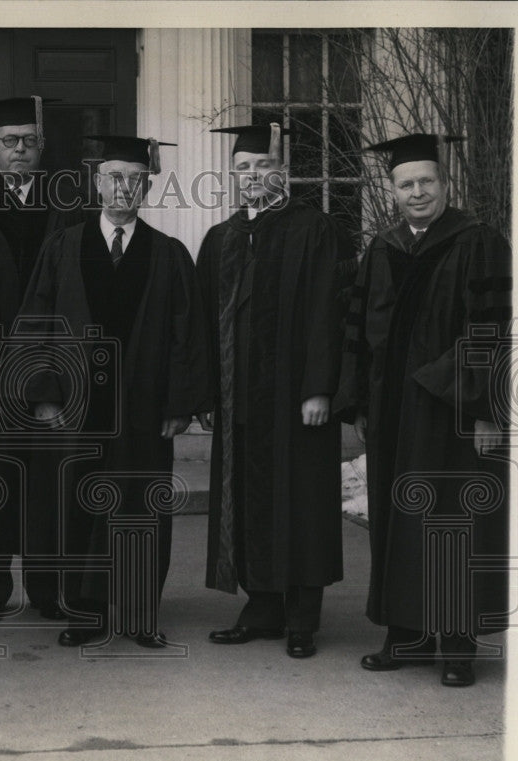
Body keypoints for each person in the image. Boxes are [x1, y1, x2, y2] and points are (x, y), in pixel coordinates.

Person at [336, 132, 511, 687]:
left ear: (445, 184)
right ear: (391, 191)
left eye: (426, 182)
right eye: (406, 184)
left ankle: (458, 645)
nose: (417, 192)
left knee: (451, 518)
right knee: (397, 521)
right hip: (392, 410)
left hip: (451, 410)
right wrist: (361, 402)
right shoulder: (382, 249)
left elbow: (493, 330)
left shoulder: (478, 242)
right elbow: (360, 334)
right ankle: (407, 635)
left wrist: (487, 410)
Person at [20, 135, 210, 648]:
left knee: (140, 504)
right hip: (77, 407)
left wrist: (180, 405)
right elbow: (38, 322)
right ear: (97, 182)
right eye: (113, 176)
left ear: (147, 186)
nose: (123, 186)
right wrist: (44, 392)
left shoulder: (169, 255)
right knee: (79, 504)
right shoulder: (63, 246)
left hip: (145, 410)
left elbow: (186, 334)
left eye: (134, 177)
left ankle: (139, 611)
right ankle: (84, 610)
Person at [198, 123, 354, 659]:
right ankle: (261, 606)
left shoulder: (315, 229)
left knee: (301, 500)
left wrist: (319, 388)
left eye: (262, 167)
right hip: (239, 398)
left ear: (282, 172)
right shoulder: (221, 238)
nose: (251, 177)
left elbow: (327, 314)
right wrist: (206, 395)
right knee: (247, 497)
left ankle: (303, 618)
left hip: (295, 400)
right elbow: (202, 323)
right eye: (242, 169)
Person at [0, 96, 81, 622]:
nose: (20, 150)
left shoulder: (69, 204)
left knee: (47, 485)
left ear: (42, 147)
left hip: (51, 370)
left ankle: (47, 591)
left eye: (29, 141)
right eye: (10, 141)